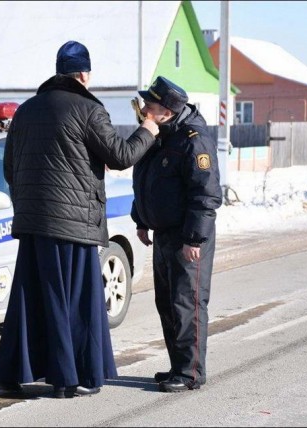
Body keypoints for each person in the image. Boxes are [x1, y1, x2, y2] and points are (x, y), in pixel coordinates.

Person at [0, 40, 159, 399]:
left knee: (30, 298)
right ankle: (69, 378)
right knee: (75, 301)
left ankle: (10, 374)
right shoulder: (88, 110)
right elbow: (122, 155)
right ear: (84, 74)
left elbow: (9, 168)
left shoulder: (27, 110)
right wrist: (148, 130)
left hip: (33, 221)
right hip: (73, 223)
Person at [131, 76, 222, 392]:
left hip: (187, 237)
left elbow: (206, 194)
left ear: (166, 111)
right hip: (164, 235)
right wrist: (141, 219)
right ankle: (177, 367)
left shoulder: (193, 140)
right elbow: (146, 182)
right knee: (167, 303)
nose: (144, 109)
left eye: (150, 105)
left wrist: (194, 239)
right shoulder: (158, 136)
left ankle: (191, 372)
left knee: (188, 303)